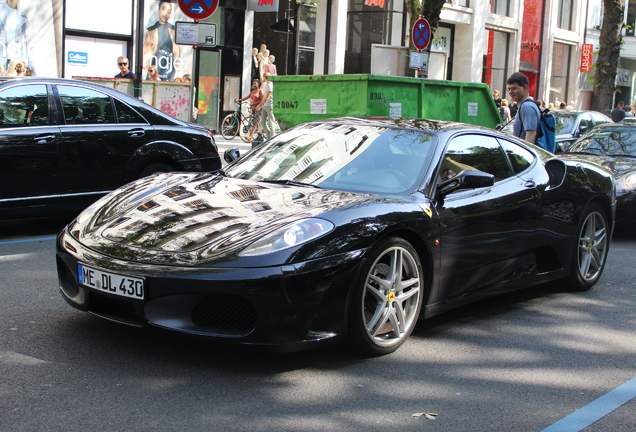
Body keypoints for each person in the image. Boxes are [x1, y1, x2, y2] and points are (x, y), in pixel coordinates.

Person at [143, 0, 180, 81]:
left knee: (168, 86)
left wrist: (177, 66)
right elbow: (145, 51)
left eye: (169, 11)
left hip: (169, 65)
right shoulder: (151, 30)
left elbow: (177, 52)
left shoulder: (173, 30)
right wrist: (145, 65)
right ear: (158, 10)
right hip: (155, 63)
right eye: (163, 9)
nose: (165, 14)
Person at [0, 0, 32, 75]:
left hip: (16, 60)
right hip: (2, 58)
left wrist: (28, 65)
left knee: (13, 85)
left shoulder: (22, 17)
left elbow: (26, 42)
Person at [507, 72, 540, 144]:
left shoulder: (527, 107)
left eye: (514, 88)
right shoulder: (525, 105)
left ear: (525, 88)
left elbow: (531, 135)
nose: (510, 92)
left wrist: (524, 154)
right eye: (509, 89)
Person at [257, 72, 277, 139]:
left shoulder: (270, 85)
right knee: (262, 122)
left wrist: (260, 104)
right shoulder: (266, 85)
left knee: (271, 122)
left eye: (264, 77)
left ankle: (272, 137)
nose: (263, 79)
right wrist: (261, 104)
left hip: (270, 105)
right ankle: (269, 136)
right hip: (265, 105)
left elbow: (267, 97)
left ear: (266, 77)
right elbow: (264, 96)